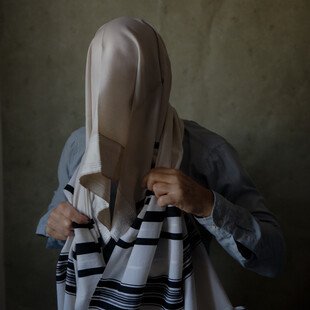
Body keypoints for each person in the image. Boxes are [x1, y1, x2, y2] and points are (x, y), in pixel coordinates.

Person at [36, 17, 285, 309]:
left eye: (129, 79)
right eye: (105, 79)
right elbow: (55, 220)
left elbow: (273, 257)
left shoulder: (208, 153)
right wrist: (54, 223)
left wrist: (206, 204)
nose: (115, 96)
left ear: (157, 77)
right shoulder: (80, 147)